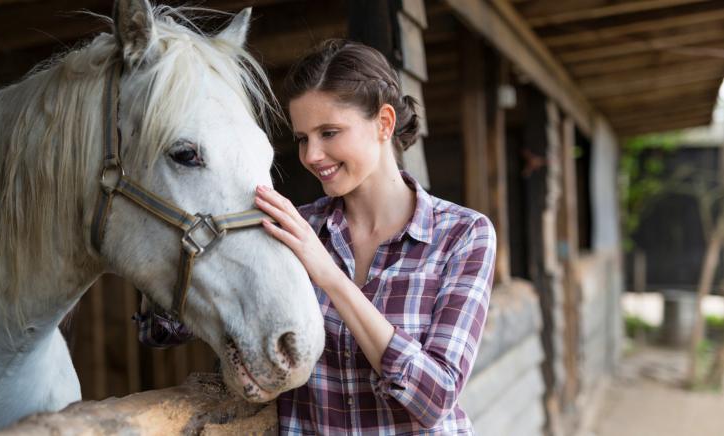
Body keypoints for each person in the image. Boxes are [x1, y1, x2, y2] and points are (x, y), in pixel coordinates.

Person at [136, 39, 496, 435]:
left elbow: (436, 396)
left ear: (384, 123)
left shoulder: (463, 234)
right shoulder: (288, 228)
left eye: (329, 132)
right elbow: (164, 331)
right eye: (303, 138)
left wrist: (329, 275)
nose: (311, 155)